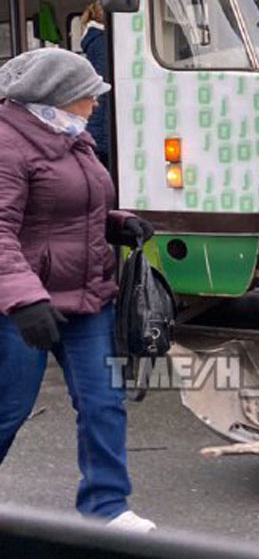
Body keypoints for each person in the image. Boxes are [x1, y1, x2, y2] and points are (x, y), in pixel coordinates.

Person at [0, 48, 158, 532]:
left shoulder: (73, 139)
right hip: (24, 307)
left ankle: (106, 508)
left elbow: (72, 210)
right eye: (89, 95)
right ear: (59, 97)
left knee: (102, 403)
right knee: (8, 408)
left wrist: (119, 223)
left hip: (89, 299)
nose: (95, 104)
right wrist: (25, 299)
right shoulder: (7, 143)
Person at [80, 2, 111, 169]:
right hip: (102, 123)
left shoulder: (94, 41)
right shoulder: (102, 43)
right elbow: (102, 85)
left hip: (96, 121)